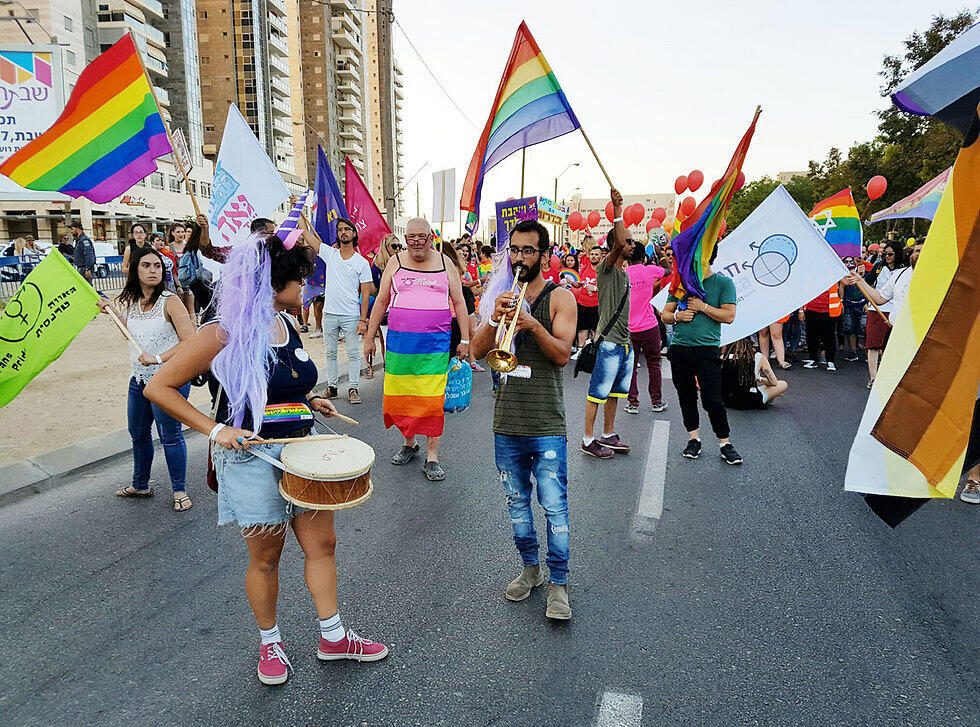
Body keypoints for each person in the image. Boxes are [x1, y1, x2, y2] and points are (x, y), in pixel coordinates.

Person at [144, 231, 388, 686]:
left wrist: (309, 399)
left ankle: (333, 638)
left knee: (323, 546)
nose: (306, 288)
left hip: (306, 452)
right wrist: (215, 430)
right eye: (299, 280)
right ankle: (270, 642)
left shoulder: (288, 323)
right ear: (273, 283)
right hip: (251, 458)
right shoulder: (223, 331)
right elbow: (158, 387)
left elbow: (281, 382)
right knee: (266, 559)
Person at [471, 219, 577, 620]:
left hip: (546, 423)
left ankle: (559, 584)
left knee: (554, 507)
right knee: (517, 504)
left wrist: (532, 323)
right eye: (513, 250)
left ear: (544, 256)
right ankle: (530, 569)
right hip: (507, 421)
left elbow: (562, 356)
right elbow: (478, 352)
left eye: (527, 251)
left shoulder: (560, 298)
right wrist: (496, 319)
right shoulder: (500, 295)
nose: (518, 258)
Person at [362, 218, 470, 482]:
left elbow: (460, 301)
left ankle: (432, 456)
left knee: (431, 398)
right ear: (405, 238)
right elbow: (382, 301)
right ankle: (409, 442)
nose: (416, 242)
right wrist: (369, 337)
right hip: (400, 346)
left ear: (430, 237)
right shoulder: (395, 262)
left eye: (422, 237)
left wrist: (465, 339)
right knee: (402, 394)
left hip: (434, 345)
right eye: (411, 238)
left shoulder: (445, 263)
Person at [97, 247, 196, 510]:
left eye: (157, 266)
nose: (153, 270)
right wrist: (114, 314)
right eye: (146, 265)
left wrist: (158, 358)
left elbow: (190, 342)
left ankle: (179, 491)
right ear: (136, 270)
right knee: (138, 434)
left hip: (168, 381)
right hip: (138, 380)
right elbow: (132, 337)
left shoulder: (170, 301)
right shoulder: (131, 301)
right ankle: (140, 484)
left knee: (170, 436)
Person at [662, 246, 741, 465]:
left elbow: (729, 316)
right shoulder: (681, 283)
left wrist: (703, 306)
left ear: (707, 257)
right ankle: (693, 439)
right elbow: (665, 315)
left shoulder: (723, 283)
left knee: (712, 399)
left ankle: (725, 443)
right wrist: (678, 316)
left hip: (707, 350)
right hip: (680, 348)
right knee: (686, 396)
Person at [581, 189, 634, 459]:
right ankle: (588, 438)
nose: (632, 244)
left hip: (626, 344)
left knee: (614, 392)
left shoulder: (624, 274)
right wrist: (618, 210)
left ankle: (608, 433)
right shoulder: (606, 268)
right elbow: (617, 244)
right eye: (628, 241)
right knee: (598, 393)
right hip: (610, 343)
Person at [314, 218, 373, 405]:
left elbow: (365, 293)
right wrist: (297, 209)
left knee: (353, 353)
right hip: (329, 313)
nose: (343, 232)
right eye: (340, 230)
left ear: (354, 234)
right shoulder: (330, 254)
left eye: (347, 229)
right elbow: (308, 237)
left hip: (351, 315)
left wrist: (363, 319)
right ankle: (332, 387)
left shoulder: (361, 262)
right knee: (330, 352)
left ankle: (353, 388)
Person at [625, 244, 667, 414]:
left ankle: (633, 403)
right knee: (654, 365)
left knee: (631, 367)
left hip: (629, 329)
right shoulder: (650, 270)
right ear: (644, 257)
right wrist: (660, 253)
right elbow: (668, 270)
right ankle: (656, 402)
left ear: (628, 257)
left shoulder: (624, 274)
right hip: (650, 326)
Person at [844, 240, 921, 328]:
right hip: (893, 326)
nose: (919, 255)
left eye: (890, 254)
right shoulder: (900, 273)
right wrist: (860, 280)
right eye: (917, 251)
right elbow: (880, 298)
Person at [863, 240, 905, 388]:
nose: (887, 256)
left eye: (890, 254)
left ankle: (888, 376)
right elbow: (867, 284)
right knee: (873, 344)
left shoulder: (905, 270)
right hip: (877, 309)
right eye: (885, 253)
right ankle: (873, 377)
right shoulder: (879, 267)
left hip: (895, 310)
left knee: (890, 346)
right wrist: (868, 302)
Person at [721, 337, 788, 409]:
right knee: (783, 384)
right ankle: (768, 398)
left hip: (728, 400)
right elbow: (773, 382)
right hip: (751, 399)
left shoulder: (724, 357)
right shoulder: (759, 357)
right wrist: (760, 379)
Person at [802, 279, 844, 372]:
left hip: (829, 310)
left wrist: (841, 301)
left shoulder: (833, 272)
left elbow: (844, 283)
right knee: (812, 336)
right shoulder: (811, 274)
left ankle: (830, 361)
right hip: (811, 309)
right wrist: (802, 310)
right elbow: (804, 290)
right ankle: (813, 359)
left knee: (829, 337)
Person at [572, 243, 600, 360]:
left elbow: (608, 286)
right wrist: (572, 282)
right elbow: (579, 284)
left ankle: (595, 351)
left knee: (595, 330)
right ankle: (580, 351)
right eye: (592, 254)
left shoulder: (603, 270)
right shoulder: (584, 268)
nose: (593, 256)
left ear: (601, 257)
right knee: (582, 328)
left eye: (596, 254)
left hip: (596, 304)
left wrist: (595, 289)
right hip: (583, 303)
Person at [167, 221, 195, 315]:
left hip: (189, 281)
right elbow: (170, 268)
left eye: (183, 231)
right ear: (172, 233)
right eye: (178, 232)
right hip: (174, 283)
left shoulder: (189, 246)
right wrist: (178, 284)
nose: (181, 234)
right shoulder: (168, 248)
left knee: (190, 309)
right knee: (179, 311)